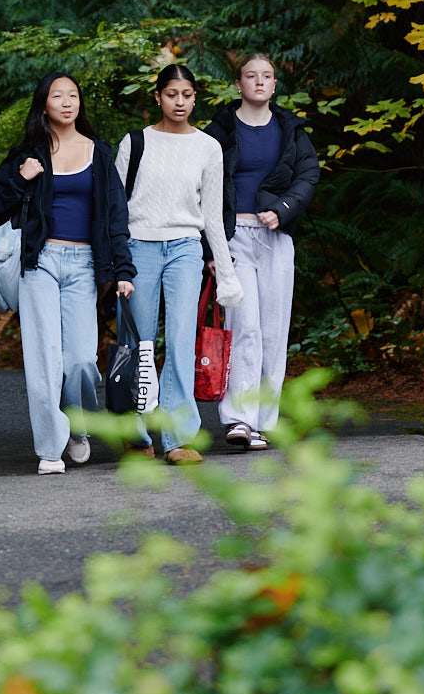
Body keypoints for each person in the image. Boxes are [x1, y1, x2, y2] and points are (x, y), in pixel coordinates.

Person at [0, 72, 136, 474]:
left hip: (85, 265)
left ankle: (78, 425)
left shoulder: (99, 154)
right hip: (40, 262)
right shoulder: (27, 155)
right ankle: (51, 448)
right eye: (58, 96)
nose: (67, 102)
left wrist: (123, 269)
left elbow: (116, 217)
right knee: (43, 357)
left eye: (73, 95)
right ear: (44, 104)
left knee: (82, 360)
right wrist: (22, 178)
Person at [115, 64, 243, 465]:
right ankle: (135, 437)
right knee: (139, 342)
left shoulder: (207, 147)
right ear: (157, 97)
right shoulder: (134, 143)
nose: (180, 102)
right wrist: (116, 263)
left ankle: (177, 437)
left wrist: (225, 273)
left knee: (182, 340)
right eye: (172, 94)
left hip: (186, 247)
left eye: (187, 95)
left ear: (195, 97)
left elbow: (212, 216)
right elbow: (115, 209)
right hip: (139, 248)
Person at [205, 52, 320, 450]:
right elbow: (201, 180)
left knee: (273, 331)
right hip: (233, 236)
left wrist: (283, 209)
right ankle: (238, 418)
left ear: (274, 85)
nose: (259, 81)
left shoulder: (289, 128)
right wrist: (211, 246)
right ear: (238, 84)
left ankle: (262, 422)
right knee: (246, 326)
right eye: (250, 76)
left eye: (266, 76)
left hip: (276, 239)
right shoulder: (220, 128)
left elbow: (309, 174)